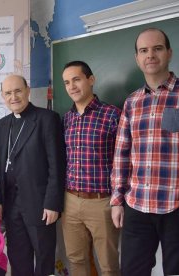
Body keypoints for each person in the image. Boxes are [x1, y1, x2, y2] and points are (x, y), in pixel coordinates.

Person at [111, 28, 179, 275]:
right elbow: (122, 154)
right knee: (132, 270)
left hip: (175, 205)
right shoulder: (132, 102)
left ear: (169, 53)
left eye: (157, 48)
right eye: (144, 50)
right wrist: (117, 200)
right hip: (137, 205)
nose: (150, 55)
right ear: (137, 59)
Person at [0, 75, 66, 276]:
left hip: (40, 205)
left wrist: (52, 203)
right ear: (2, 96)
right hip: (11, 206)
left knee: (44, 260)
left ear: (27, 91)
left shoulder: (47, 119)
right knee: (18, 260)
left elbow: (56, 166)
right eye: (8, 93)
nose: (13, 97)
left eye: (17, 91)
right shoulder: (2, 125)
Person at [62, 61, 121, 276]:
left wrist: (118, 200)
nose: (71, 86)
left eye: (76, 79)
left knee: (108, 265)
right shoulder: (66, 119)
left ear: (91, 79)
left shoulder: (112, 115)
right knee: (76, 260)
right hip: (70, 202)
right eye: (67, 82)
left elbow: (123, 162)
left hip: (102, 202)